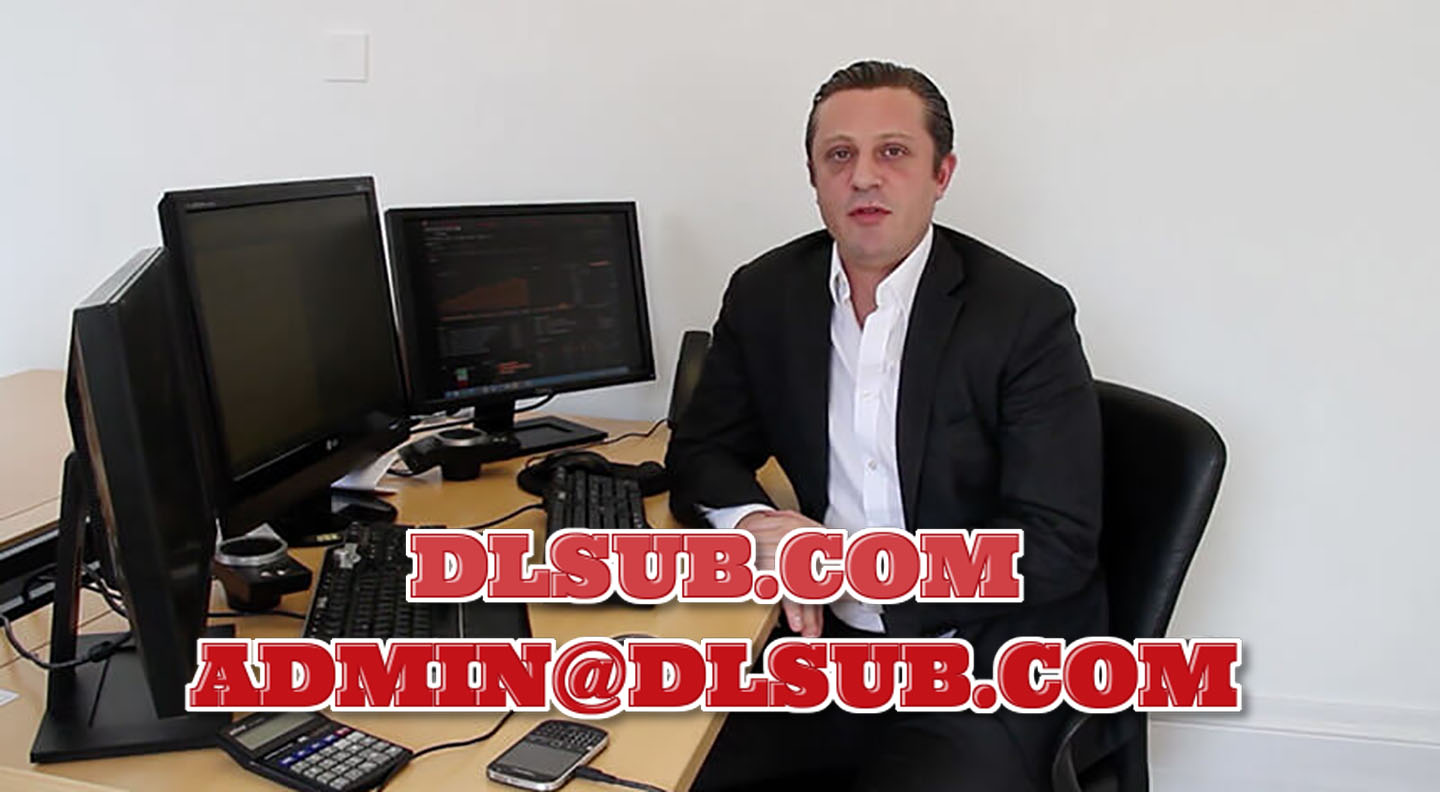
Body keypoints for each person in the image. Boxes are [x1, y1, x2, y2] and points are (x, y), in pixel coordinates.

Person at [666, 60, 1108, 791]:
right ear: (814, 177)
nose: (864, 177)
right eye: (839, 155)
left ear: (942, 174)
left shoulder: (1023, 313)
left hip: (981, 659)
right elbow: (702, 449)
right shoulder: (767, 293)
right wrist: (758, 525)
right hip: (823, 647)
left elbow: (1056, 542)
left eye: (893, 152)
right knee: (657, 766)